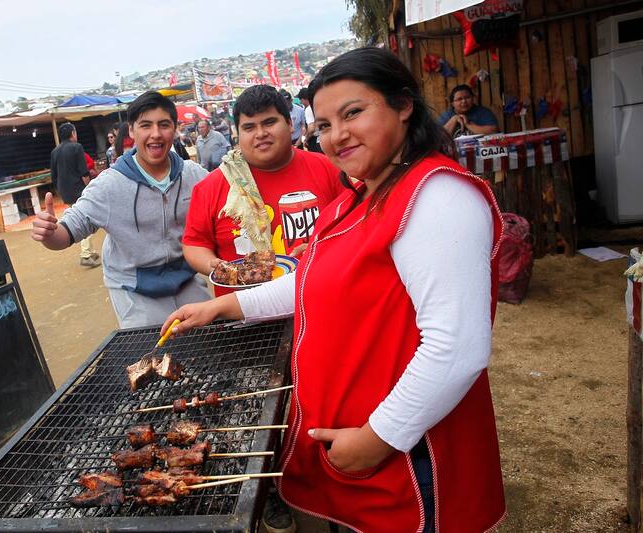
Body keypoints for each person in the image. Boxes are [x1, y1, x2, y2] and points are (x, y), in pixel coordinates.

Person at [163, 47, 506, 532]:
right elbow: (311, 282)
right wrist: (228, 305)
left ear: (403, 105)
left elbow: (458, 349)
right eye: (323, 125)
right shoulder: (361, 195)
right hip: (362, 441)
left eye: (353, 113)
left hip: (411, 454)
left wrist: (380, 437)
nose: (337, 135)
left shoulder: (437, 198)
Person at [32, 91, 210, 328]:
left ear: (174, 129)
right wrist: (49, 234)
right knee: (152, 355)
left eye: (164, 125)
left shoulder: (193, 174)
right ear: (131, 131)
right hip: (135, 288)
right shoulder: (109, 185)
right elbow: (66, 233)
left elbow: (224, 207)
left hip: (186, 278)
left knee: (210, 339)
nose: (155, 134)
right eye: (145, 125)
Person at [182, 84, 345, 297]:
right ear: (237, 133)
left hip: (322, 295)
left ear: (289, 123)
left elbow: (358, 226)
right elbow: (194, 244)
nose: (260, 134)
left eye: (269, 122)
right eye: (249, 127)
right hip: (245, 312)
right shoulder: (210, 187)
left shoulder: (329, 169)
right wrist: (214, 265)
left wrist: (328, 247)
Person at [50, 122, 100, 268]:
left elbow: (53, 176)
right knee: (86, 217)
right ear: (73, 133)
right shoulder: (76, 147)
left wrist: (59, 190)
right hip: (79, 188)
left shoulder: (55, 151)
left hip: (64, 191)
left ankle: (89, 251)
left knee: (81, 215)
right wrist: (89, 187)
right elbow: (84, 172)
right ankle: (85, 253)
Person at [298, 88, 321, 153]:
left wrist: (306, 139)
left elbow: (311, 129)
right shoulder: (317, 104)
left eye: (301, 101)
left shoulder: (308, 109)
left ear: (302, 99)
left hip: (315, 140)